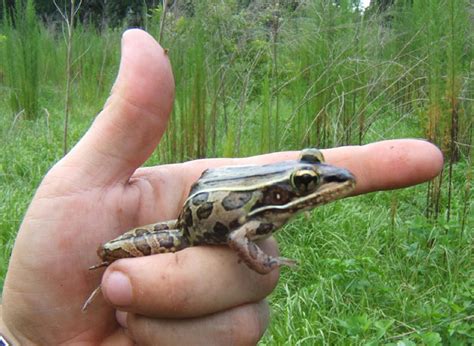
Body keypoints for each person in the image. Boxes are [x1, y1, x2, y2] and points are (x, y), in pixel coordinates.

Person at [0, 29, 443, 345]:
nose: (319, 184)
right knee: (112, 251)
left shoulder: (275, 207)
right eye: (306, 181)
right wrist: (263, 265)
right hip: (184, 230)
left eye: (312, 173)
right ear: (284, 192)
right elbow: (237, 236)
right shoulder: (260, 217)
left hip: (203, 202)